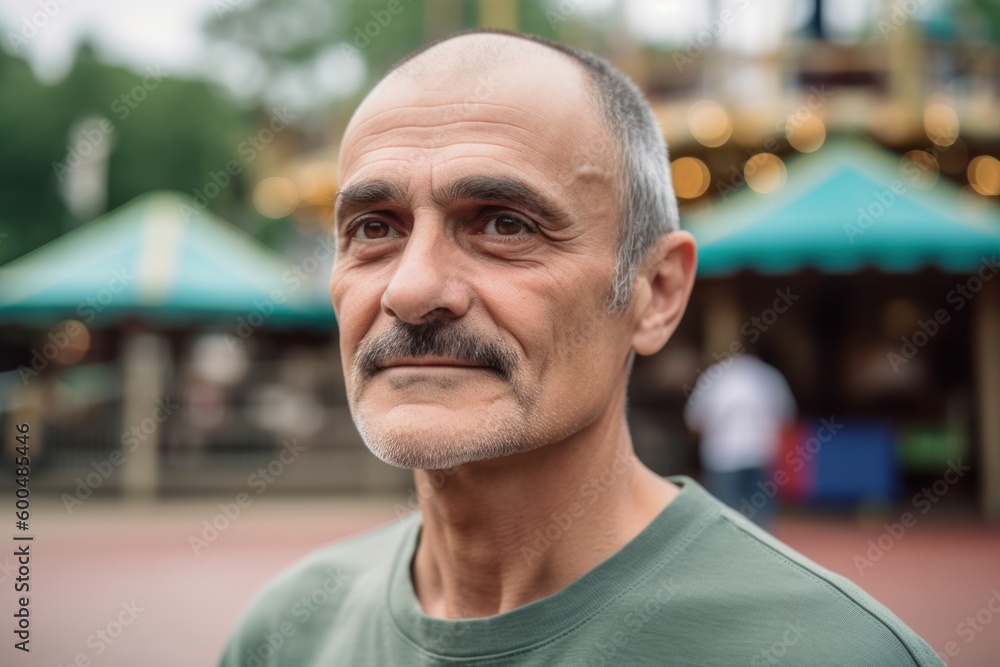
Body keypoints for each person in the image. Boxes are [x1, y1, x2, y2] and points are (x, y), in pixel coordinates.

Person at [219, 30, 943, 666]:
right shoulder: (283, 634)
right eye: (374, 228)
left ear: (656, 292)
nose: (411, 290)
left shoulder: (835, 652)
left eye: (503, 224)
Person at [684, 353, 797, 529]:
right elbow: (785, 418)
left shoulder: (714, 376)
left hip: (722, 455)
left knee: (724, 515)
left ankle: (728, 552)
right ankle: (757, 553)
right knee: (760, 518)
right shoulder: (768, 375)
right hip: (759, 452)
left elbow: (694, 421)